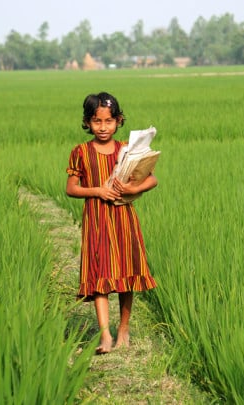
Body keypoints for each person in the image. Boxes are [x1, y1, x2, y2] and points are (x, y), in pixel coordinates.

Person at [66, 92, 158, 354]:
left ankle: (124, 329)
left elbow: (152, 180)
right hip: (96, 219)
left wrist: (131, 188)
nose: (103, 127)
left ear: (118, 121)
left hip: (123, 218)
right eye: (96, 122)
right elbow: (71, 188)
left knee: (126, 273)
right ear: (87, 122)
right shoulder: (80, 152)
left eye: (108, 121)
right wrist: (98, 191)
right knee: (99, 273)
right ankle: (105, 334)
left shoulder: (126, 151)